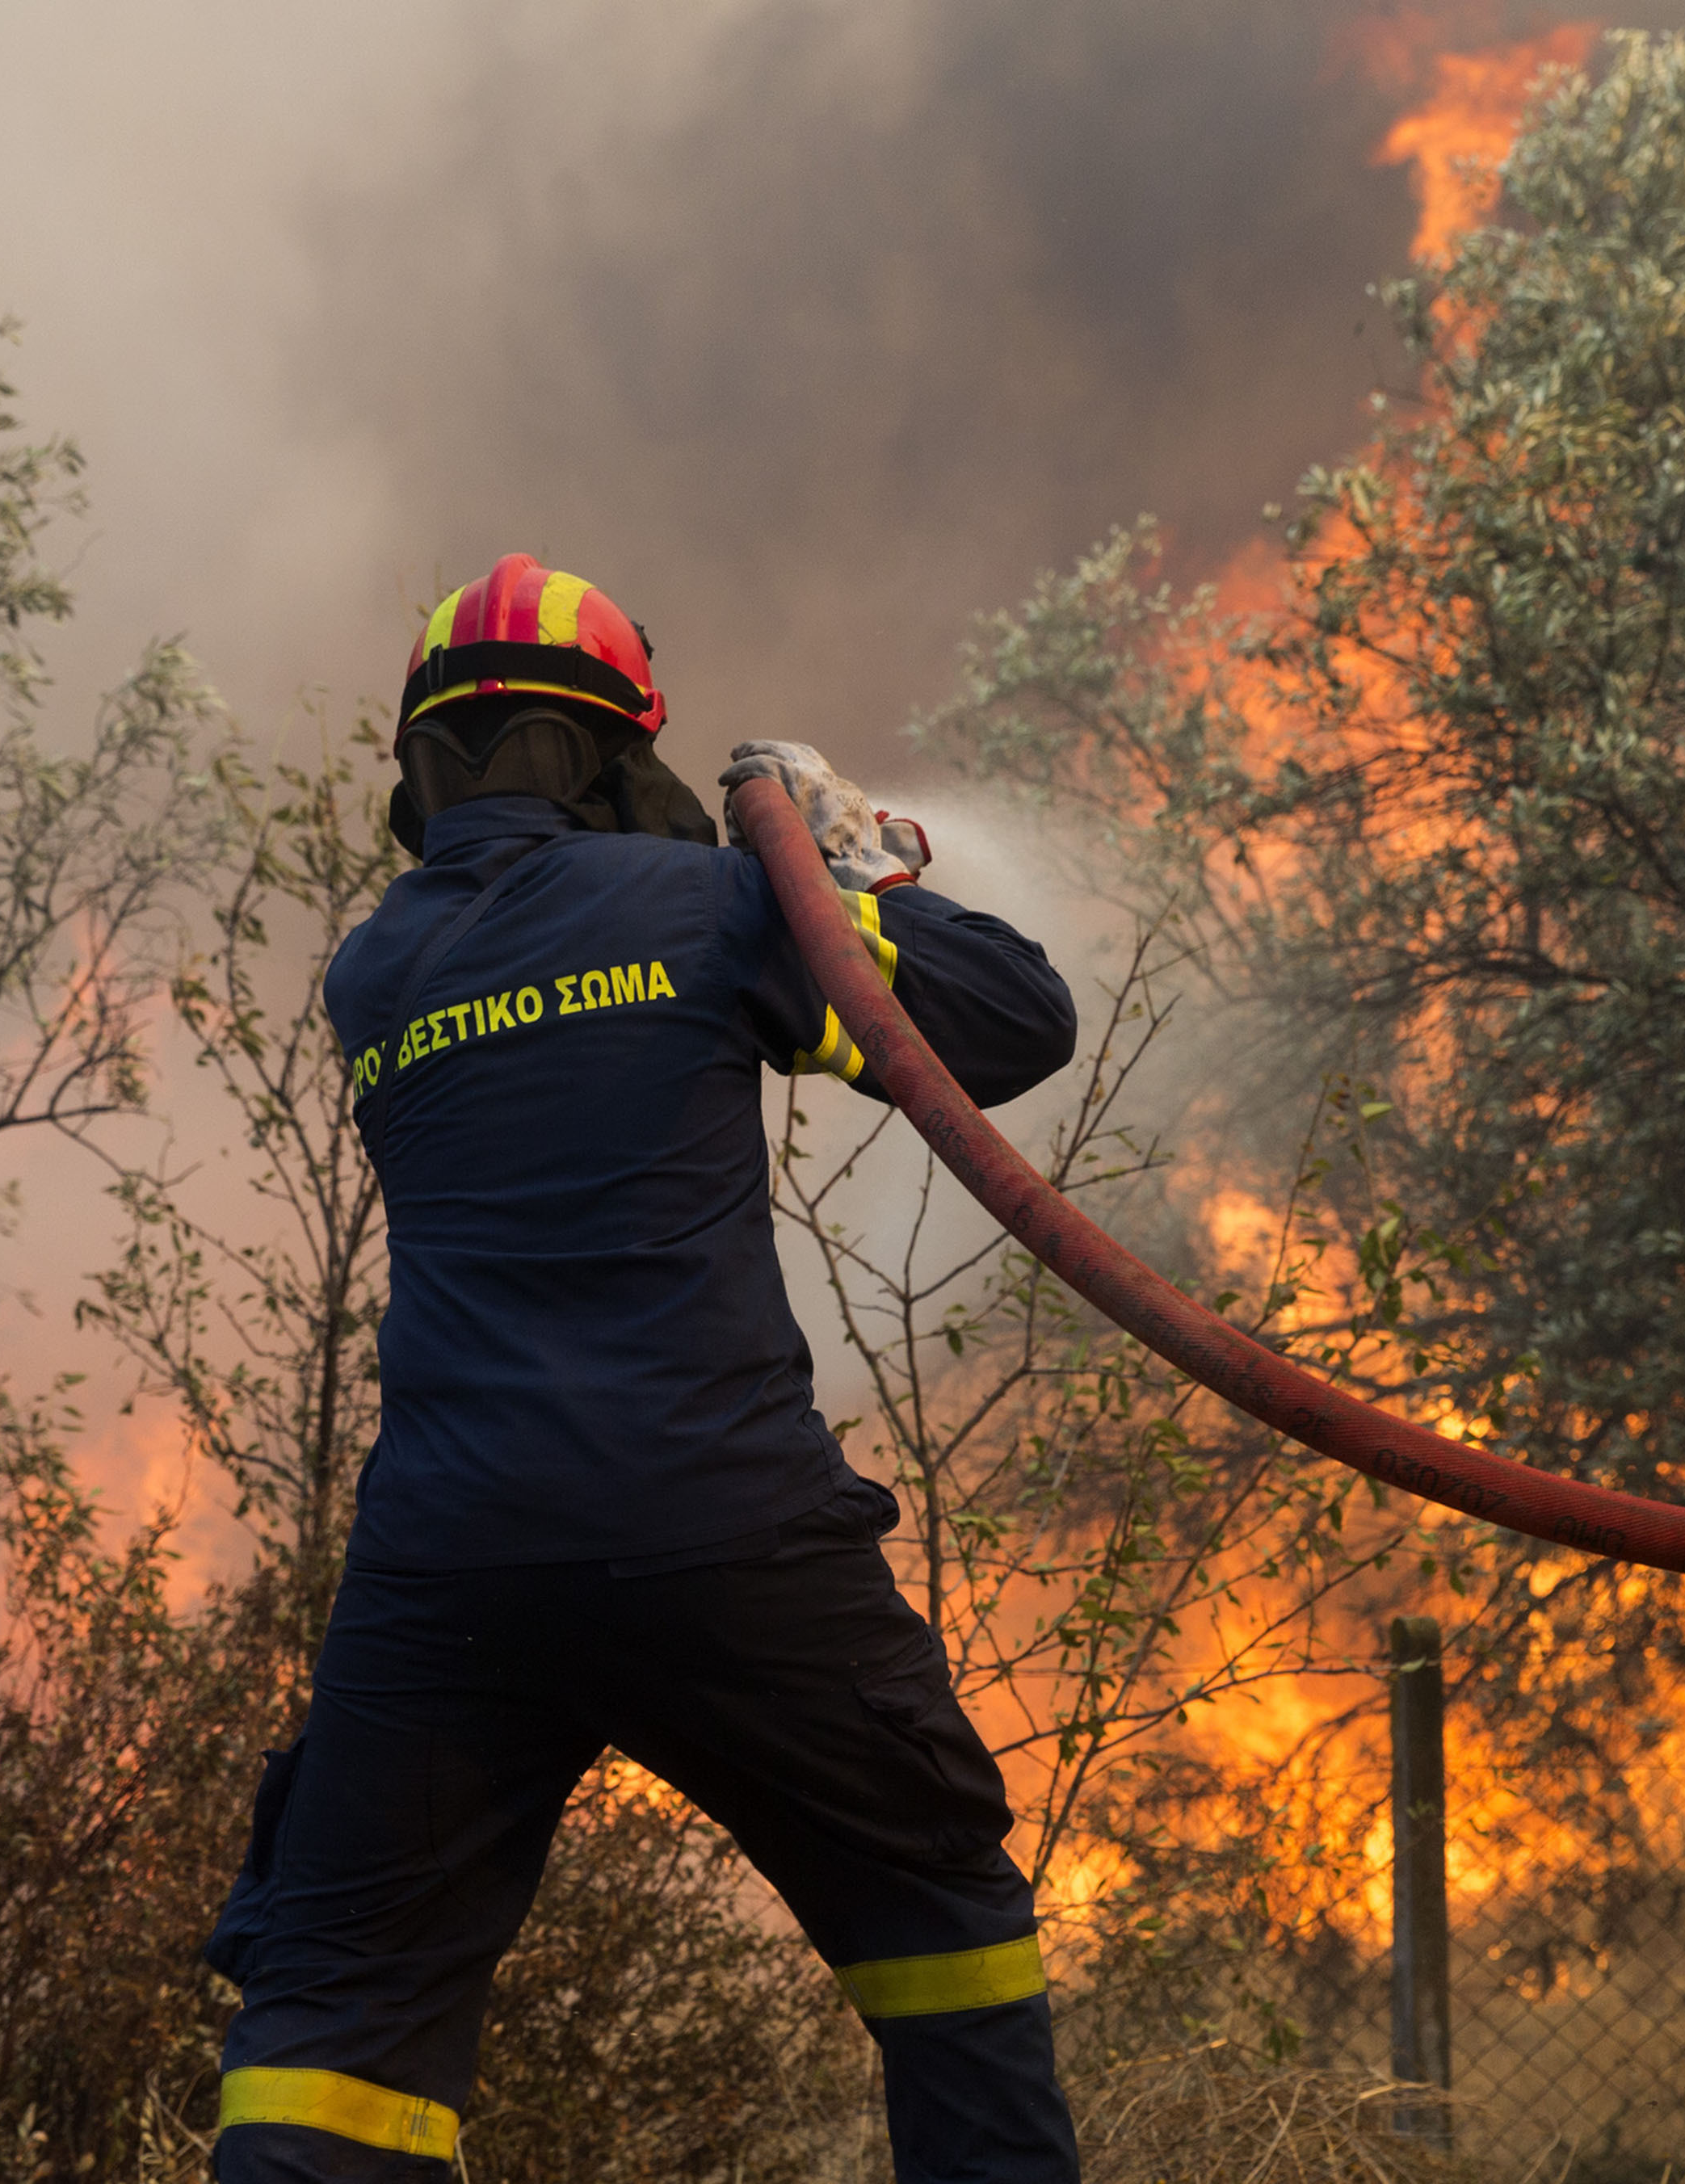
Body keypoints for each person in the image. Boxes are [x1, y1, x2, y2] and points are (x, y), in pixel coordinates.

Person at [204, 552, 1086, 2182]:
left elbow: (545, 945)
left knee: (325, 2033)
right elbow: (1018, 1021)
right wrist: (822, 869)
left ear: (422, 770)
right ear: (620, 753)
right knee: (941, 1908)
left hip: (451, 1564)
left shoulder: (376, 974)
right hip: (720, 1525)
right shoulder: (708, 906)